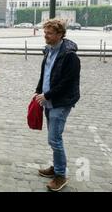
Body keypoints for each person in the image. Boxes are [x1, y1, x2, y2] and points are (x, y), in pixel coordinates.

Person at [34, 19, 81, 192]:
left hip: (60, 102)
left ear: (60, 34)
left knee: (54, 138)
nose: (45, 35)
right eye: (45, 32)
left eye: (49, 33)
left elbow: (68, 82)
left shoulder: (70, 56)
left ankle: (60, 175)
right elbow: (45, 74)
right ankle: (56, 167)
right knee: (53, 138)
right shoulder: (49, 51)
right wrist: (38, 90)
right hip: (48, 100)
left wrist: (47, 95)